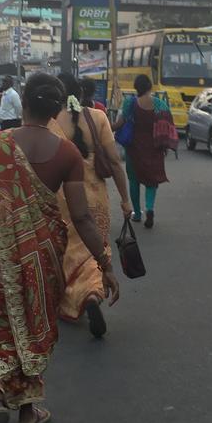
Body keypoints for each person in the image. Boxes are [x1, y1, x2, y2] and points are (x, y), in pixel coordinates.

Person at [0, 73, 120, 423]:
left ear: (22, 103)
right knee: (31, 332)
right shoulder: (67, 155)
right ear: (57, 109)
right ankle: (27, 412)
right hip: (42, 263)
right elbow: (82, 219)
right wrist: (105, 265)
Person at [51, 74, 132, 338]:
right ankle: (93, 293)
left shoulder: (50, 122)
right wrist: (125, 199)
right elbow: (116, 163)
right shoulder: (98, 117)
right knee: (95, 247)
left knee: (67, 249)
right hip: (96, 198)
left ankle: (75, 297)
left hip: (63, 198)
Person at [112, 73, 169, 228]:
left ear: (136, 87)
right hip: (154, 149)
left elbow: (120, 123)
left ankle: (137, 213)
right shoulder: (159, 104)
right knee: (152, 181)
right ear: (150, 87)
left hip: (134, 149)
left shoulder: (130, 103)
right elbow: (167, 125)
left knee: (134, 180)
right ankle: (149, 208)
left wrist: (102, 126)